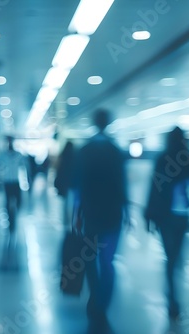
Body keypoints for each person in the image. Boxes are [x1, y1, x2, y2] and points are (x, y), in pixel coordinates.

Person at [74, 109, 129, 332]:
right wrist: (128, 212)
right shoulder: (116, 151)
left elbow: (79, 186)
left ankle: (94, 297)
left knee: (90, 258)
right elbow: (122, 184)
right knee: (108, 261)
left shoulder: (85, 150)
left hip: (91, 214)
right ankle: (102, 304)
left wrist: (77, 214)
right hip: (113, 214)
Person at [144, 126, 189, 319]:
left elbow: (154, 188)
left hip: (165, 216)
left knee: (170, 257)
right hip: (182, 214)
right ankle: (173, 295)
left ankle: (172, 298)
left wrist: (148, 215)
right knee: (175, 256)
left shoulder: (162, 159)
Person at [0, 136, 28, 234]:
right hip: (7, 182)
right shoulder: (2, 155)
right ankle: (9, 217)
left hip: (15, 181)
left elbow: (24, 166)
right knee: (7, 200)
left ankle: (15, 213)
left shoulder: (18, 155)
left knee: (18, 200)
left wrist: (27, 179)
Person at [54, 141, 75, 225]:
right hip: (71, 183)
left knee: (65, 202)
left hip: (64, 182)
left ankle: (65, 219)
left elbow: (58, 170)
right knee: (72, 201)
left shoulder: (62, 157)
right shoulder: (75, 157)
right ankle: (71, 218)